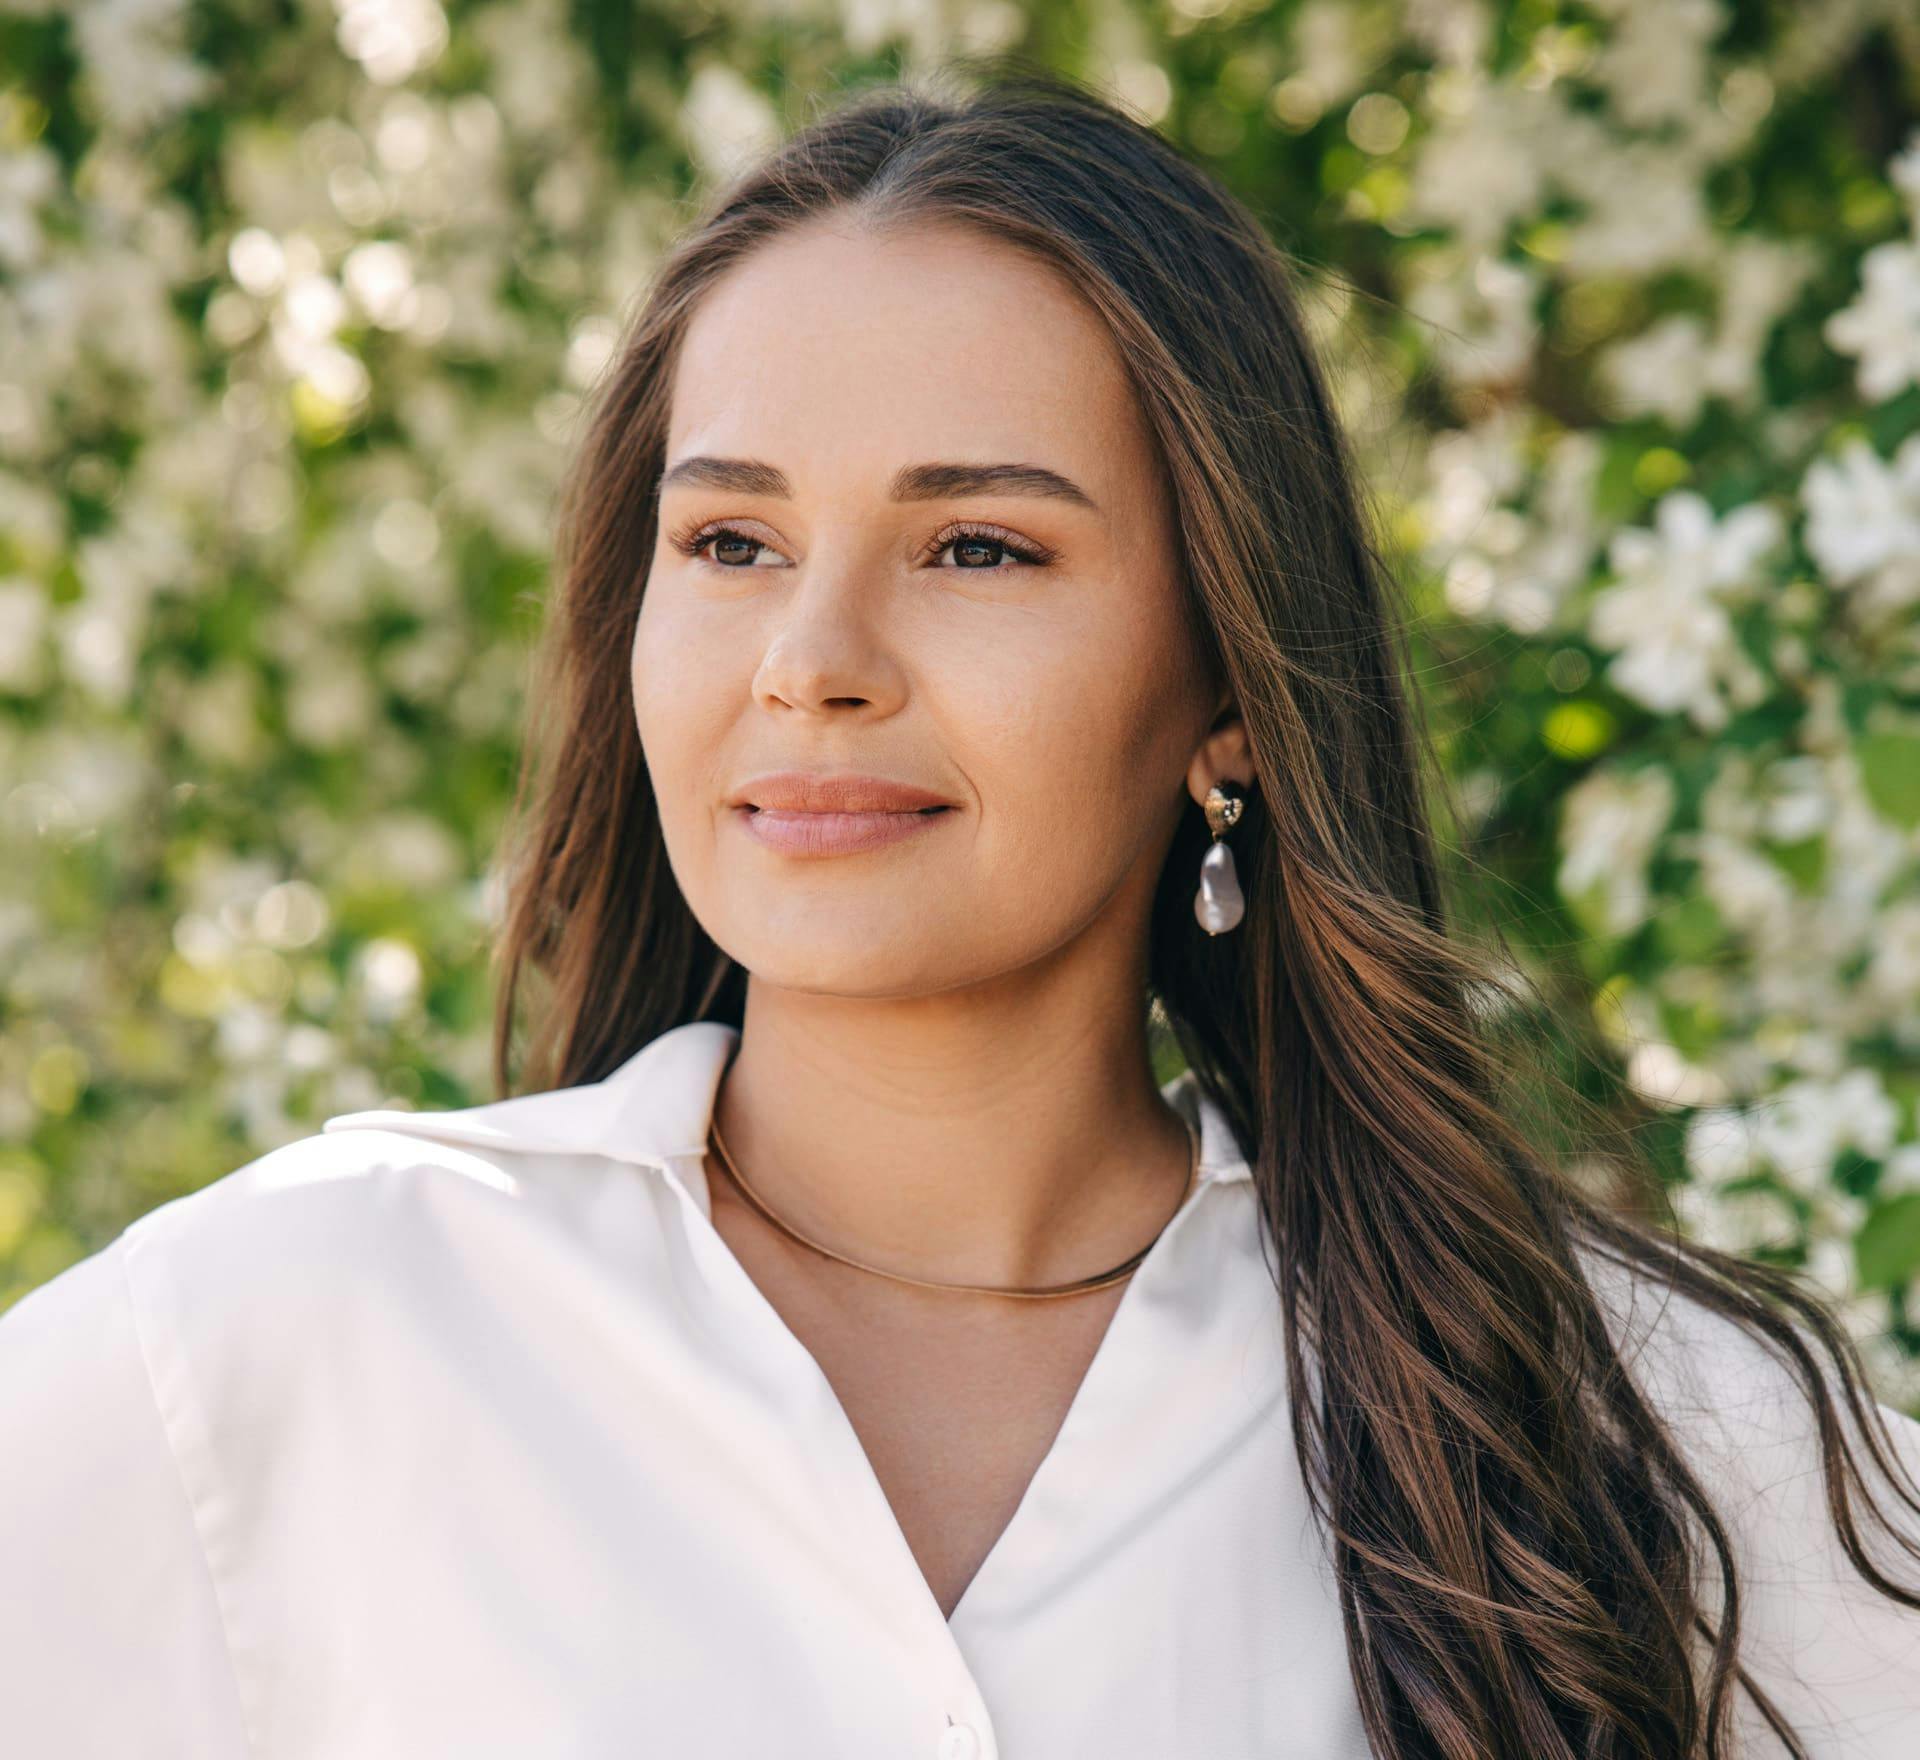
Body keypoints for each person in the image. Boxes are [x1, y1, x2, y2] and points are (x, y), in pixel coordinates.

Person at [3, 64, 1918, 1760]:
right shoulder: (289, 1333)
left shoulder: (1625, 1420)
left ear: (1231, 679)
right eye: (730, 542)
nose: (811, 660)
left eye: (978, 545)